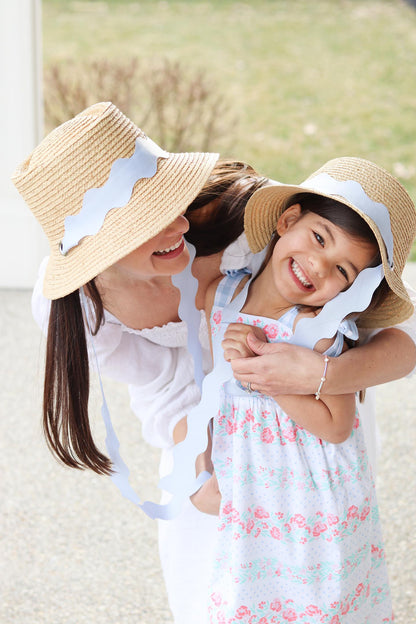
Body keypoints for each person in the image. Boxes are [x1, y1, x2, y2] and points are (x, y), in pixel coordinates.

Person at [16, 101, 416, 623]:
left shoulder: (255, 225)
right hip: (207, 427)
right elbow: (165, 384)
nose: (178, 223)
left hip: (306, 430)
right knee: (216, 589)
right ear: (101, 252)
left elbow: (395, 338)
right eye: (151, 221)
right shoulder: (76, 308)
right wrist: (199, 466)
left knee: (322, 589)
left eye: (171, 198)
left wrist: (317, 375)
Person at [189, 157, 416, 622]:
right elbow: (214, 394)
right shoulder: (221, 298)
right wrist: (204, 463)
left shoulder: (321, 332)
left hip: (313, 500)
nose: (317, 266)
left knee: (317, 604)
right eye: (318, 238)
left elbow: (335, 427)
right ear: (287, 219)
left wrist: (270, 380)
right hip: (253, 489)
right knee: (250, 596)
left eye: (343, 271)